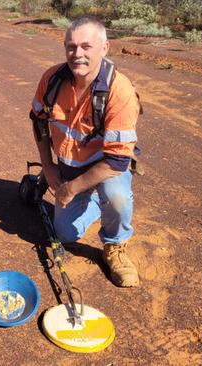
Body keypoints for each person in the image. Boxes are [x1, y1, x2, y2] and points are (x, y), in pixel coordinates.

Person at [29, 16, 141, 287]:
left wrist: (70, 189)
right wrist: (48, 166)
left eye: (86, 46)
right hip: (69, 166)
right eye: (70, 46)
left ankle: (115, 245)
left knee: (116, 197)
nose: (77, 54)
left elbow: (117, 160)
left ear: (105, 48)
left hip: (106, 169)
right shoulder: (53, 79)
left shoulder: (119, 91)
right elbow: (38, 121)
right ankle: (90, 197)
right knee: (65, 235)